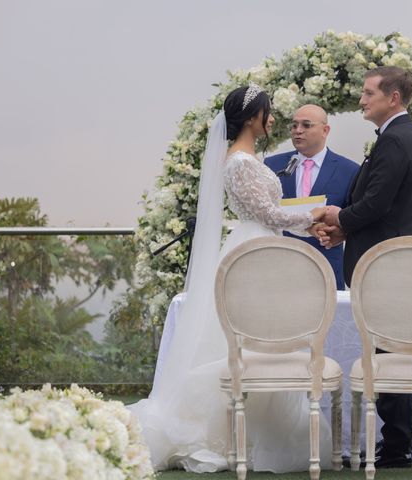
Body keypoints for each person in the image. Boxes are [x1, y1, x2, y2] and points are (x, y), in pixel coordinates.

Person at [129, 84, 331, 473]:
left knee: (264, 338)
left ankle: (253, 428)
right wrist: (317, 216)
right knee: (240, 339)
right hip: (252, 252)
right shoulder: (239, 162)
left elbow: (273, 213)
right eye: (268, 113)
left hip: (265, 248)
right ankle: (229, 432)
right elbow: (268, 214)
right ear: (253, 117)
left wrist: (310, 225)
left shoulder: (248, 158)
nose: (272, 120)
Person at [319, 66, 412, 468]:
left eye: (368, 93)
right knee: (386, 350)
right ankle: (397, 442)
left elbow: (378, 203)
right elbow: (385, 207)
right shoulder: (399, 136)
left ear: (392, 98)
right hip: (383, 259)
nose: (362, 100)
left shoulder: (396, 140)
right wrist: (348, 230)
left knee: (388, 352)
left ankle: (398, 447)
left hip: (385, 266)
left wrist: (339, 217)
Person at [264, 105, 359, 290]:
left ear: (325, 130)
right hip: (279, 264)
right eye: (294, 125)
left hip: (326, 265)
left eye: (306, 125)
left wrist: (340, 233)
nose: (298, 131)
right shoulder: (272, 165)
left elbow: (354, 217)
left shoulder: (349, 170)